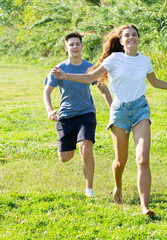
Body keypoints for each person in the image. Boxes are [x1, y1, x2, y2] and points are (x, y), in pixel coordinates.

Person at [51, 24, 167, 216]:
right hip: (119, 111)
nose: (131, 38)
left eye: (134, 35)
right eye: (127, 36)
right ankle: (118, 186)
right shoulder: (114, 59)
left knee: (143, 159)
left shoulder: (144, 61)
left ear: (138, 38)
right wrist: (65, 75)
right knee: (121, 161)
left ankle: (144, 205)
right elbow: (90, 78)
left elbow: (155, 82)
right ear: (121, 41)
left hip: (140, 110)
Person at [43, 32, 112, 198]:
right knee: (65, 157)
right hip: (66, 115)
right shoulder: (59, 69)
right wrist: (50, 110)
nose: (75, 47)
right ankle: (72, 141)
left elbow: (102, 87)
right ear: (66, 48)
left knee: (86, 147)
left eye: (77, 44)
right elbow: (47, 91)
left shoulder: (90, 68)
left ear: (81, 47)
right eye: (71, 44)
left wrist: (112, 108)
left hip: (86, 113)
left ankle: (89, 189)